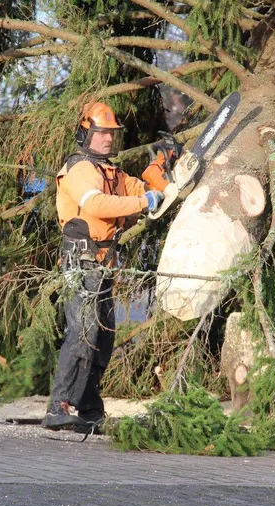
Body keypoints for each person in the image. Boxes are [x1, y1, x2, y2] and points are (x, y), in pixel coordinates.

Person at [42, 101, 178, 432]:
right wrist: (141, 203)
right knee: (82, 333)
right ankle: (58, 405)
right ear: (86, 133)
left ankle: (88, 406)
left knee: (102, 338)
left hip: (103, 267)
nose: (107, 139)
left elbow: (143, 188)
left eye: (110, 134)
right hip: (81, 262)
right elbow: (96, 204)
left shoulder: (111, 173)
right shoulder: (80, 169)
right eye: (101, 133)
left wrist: (162, 170)